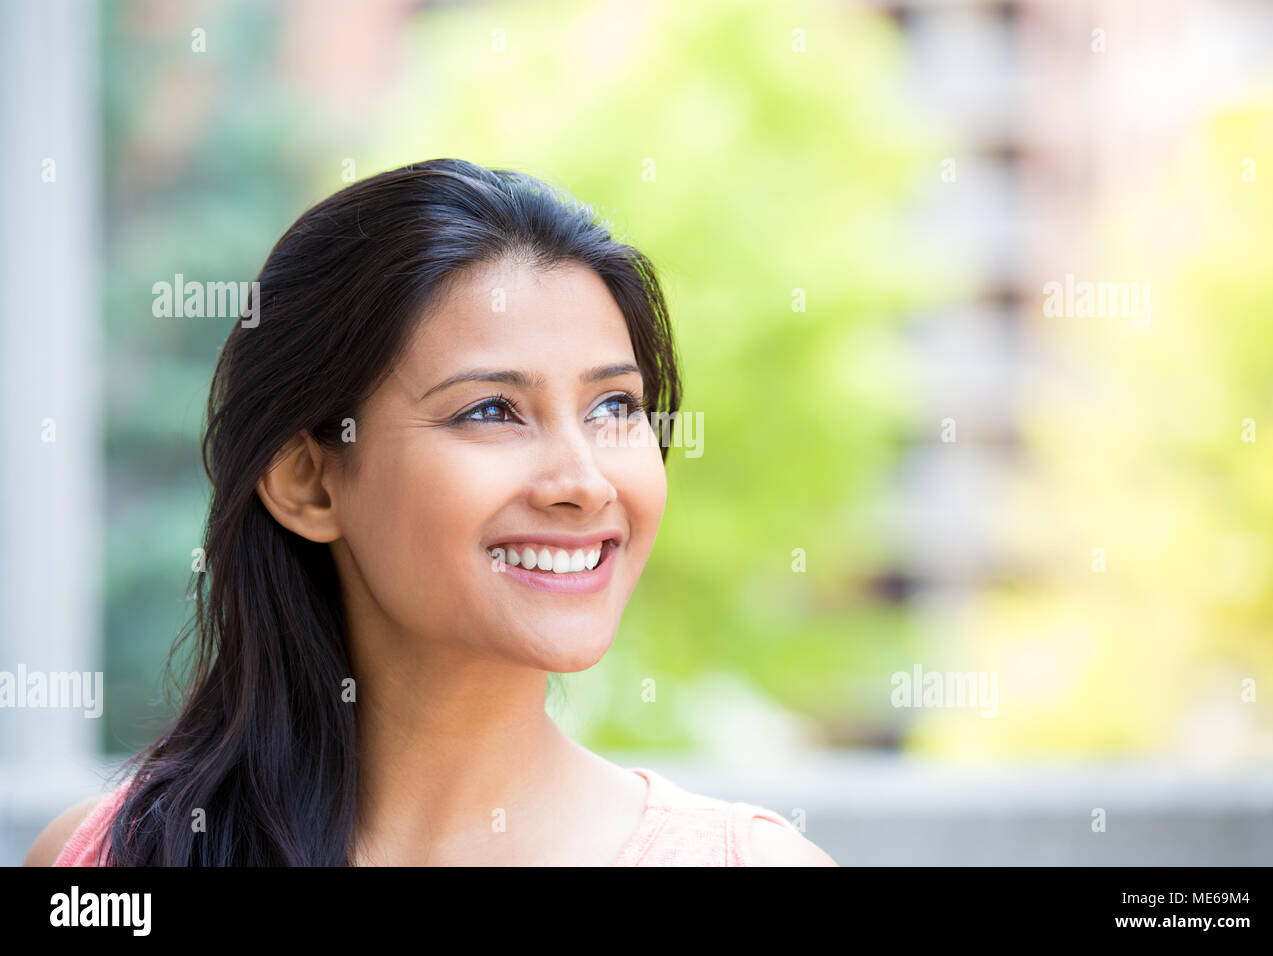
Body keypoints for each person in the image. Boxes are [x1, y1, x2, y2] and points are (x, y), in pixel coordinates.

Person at [25, 158, 837, 866]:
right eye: (490, 411)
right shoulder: (110, 855)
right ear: (309, 481)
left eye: (614, 405)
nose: (584, 483)